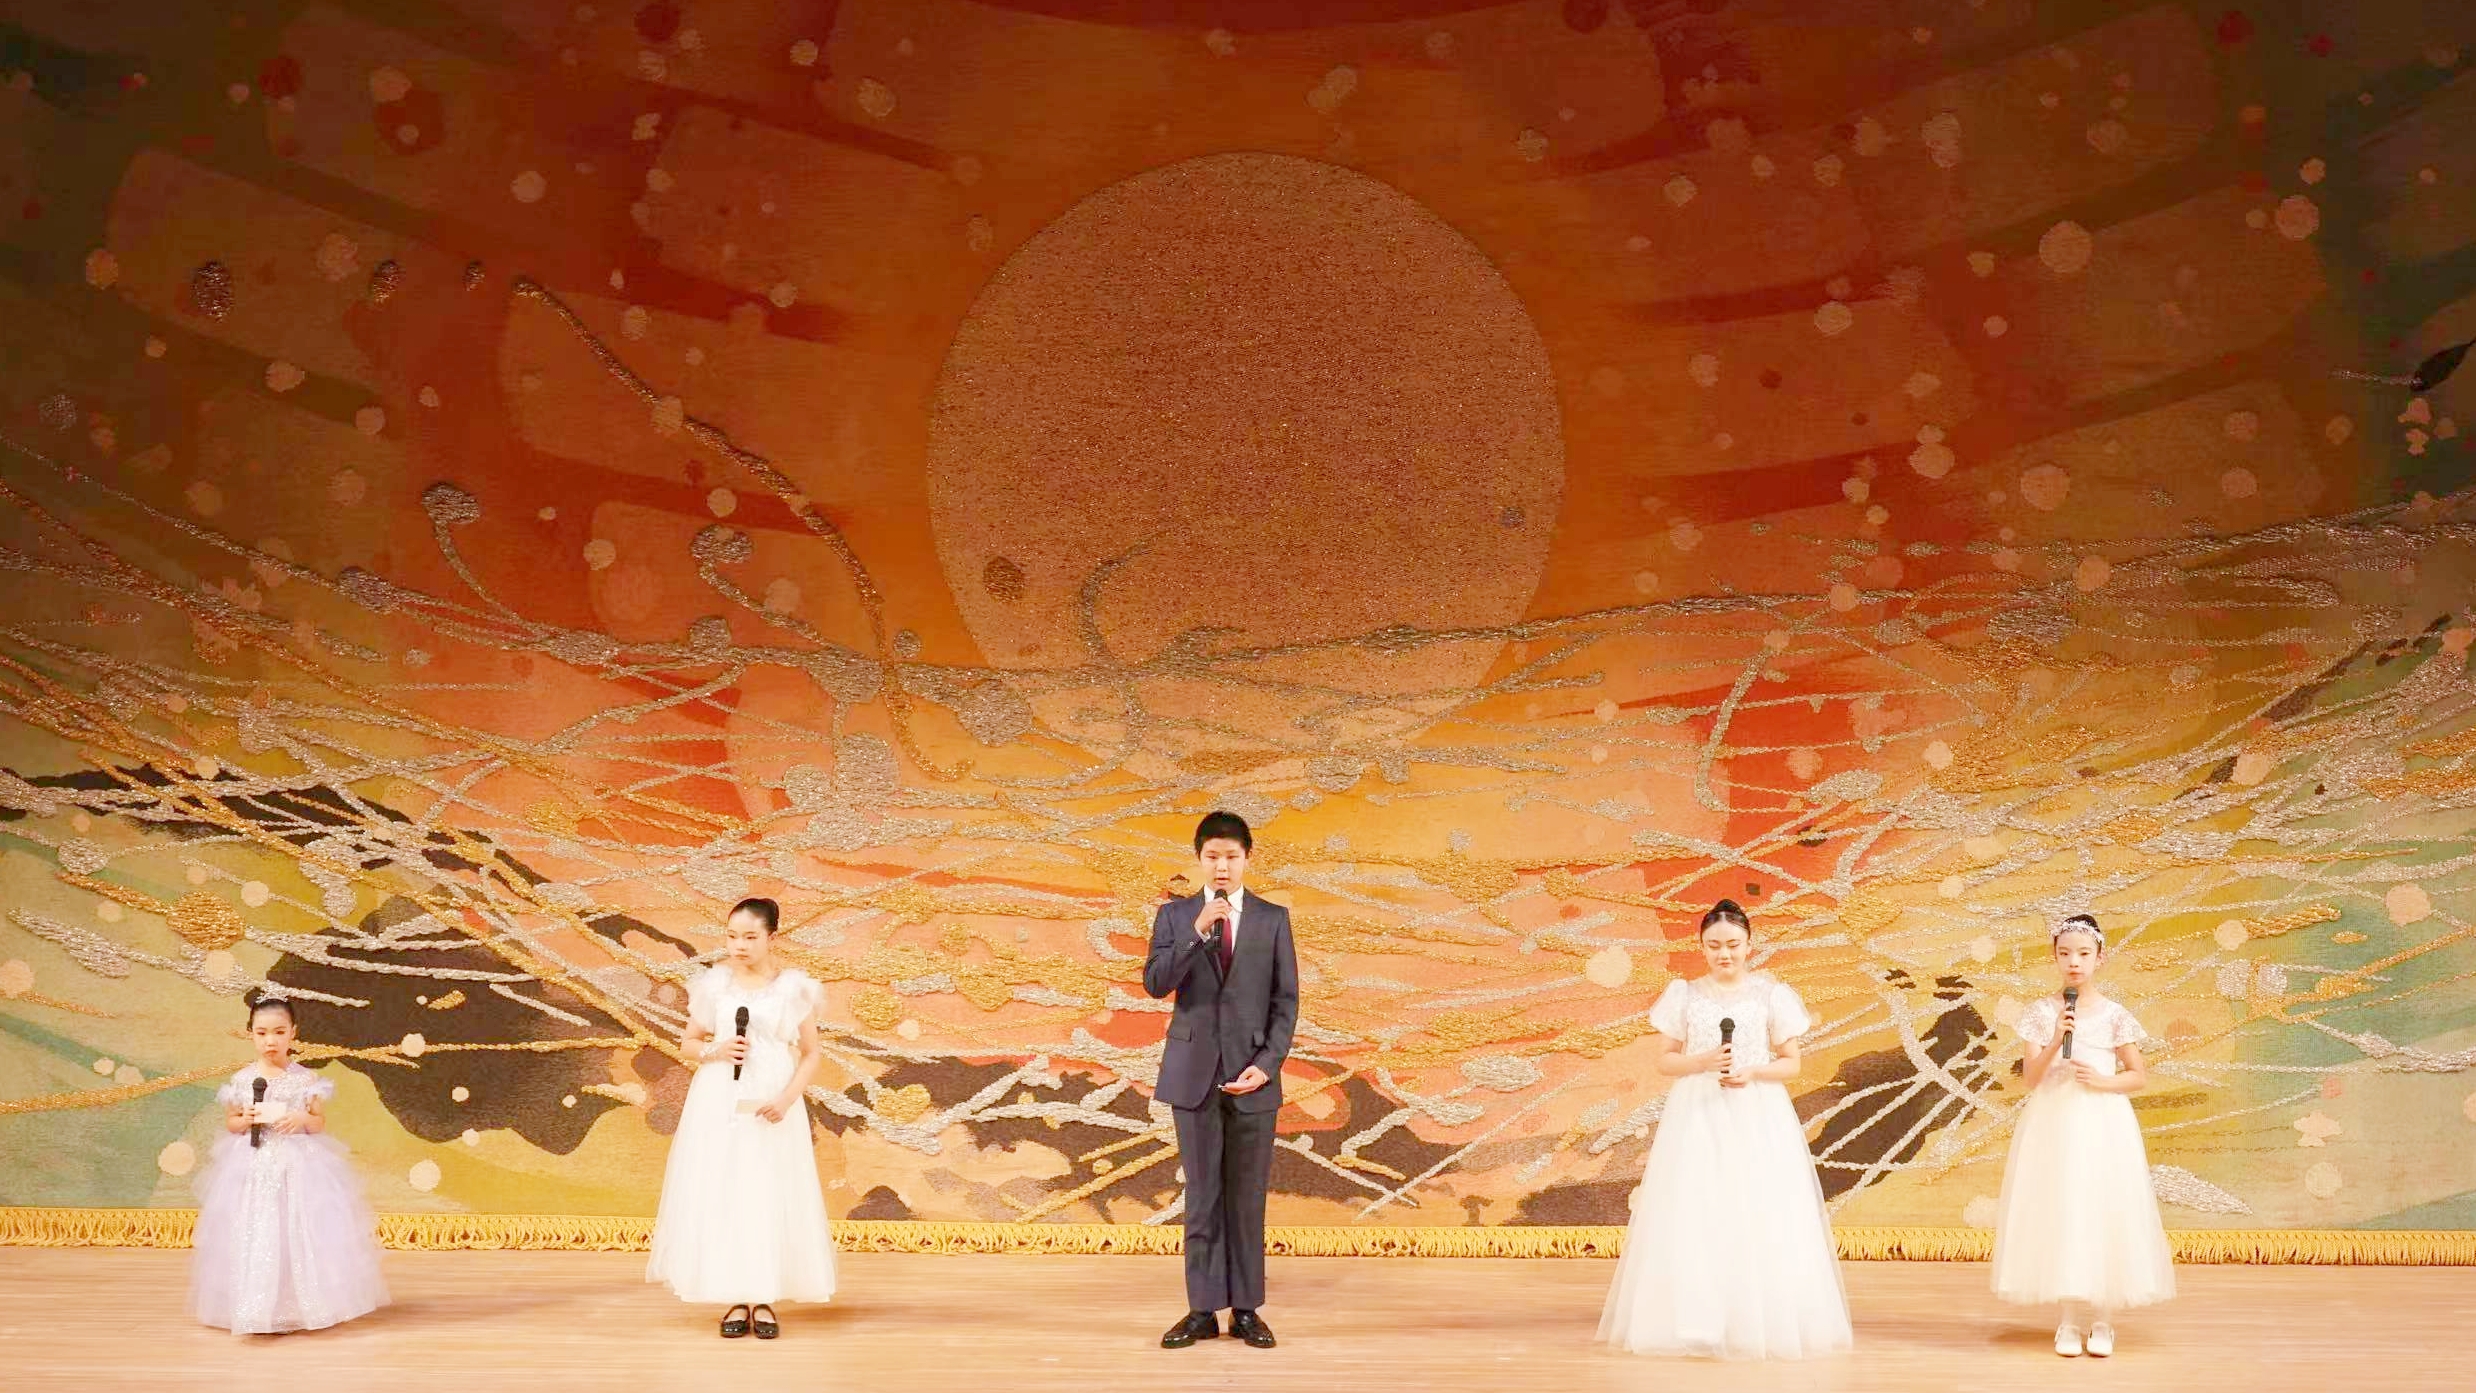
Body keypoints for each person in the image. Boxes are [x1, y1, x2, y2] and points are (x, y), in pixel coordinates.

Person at [1598, 898, 1851, 1360]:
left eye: (1733, 944)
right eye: (1714, 945)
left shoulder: (1772, 994)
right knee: (1696, 1207)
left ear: (1750, 944)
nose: (1724, 954)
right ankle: (1696, 1321)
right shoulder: (1684, 994)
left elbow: (1792, 1064)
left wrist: (1752, 1071)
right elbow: (1665, 1061)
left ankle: (1756, 1320)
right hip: (1697, 1112)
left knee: (1758, 1206)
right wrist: (1701, 1062)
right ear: (1701, 946)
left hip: (1757, 1111)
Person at [646, 896, 837, 1338]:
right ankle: (734, 1295)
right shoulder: (713, 986)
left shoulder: (795, 989)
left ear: (772, 937)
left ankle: (763, 1296)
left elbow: (811, 1053)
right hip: (718, 1100)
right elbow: (688, 1044)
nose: (739, 945)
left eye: (750, 937)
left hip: (773, 1104)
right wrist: (716, 1049)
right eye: (732, 936)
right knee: (726, 1189)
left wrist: (787, 1099)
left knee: (767, 1191)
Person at [1144, 810, 1298, 1350]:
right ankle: (1201, 1310)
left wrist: (1268, 1064)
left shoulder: (1273, 918)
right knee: (1203, 1195)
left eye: (1232, 856)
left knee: (1247, 1198)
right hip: (1194, 1075)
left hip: (1253, 1075)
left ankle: (1247, 1311)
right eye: (1212, 856)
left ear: (1247, 858)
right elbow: (1155, 983)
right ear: (1199, 859)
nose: (1222, 865)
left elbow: (1285, 1001)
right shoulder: (1175, 916)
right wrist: (1195, 932)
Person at [1990, 913, 2176, 1357]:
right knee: (2066, 1211)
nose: (2074, 962)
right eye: (2065, 953)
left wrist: (2103, 1081)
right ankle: (2069, 1321)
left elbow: (2138, 1075)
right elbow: (2031, 1079)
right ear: (2054, 957)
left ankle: (2103, 1321)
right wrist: (2056, 1039)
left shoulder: (2115, 1015)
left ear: (2099, 958)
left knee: (2104, 1210)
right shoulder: (2040, 1013)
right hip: (2055, 1124)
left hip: (2104, 1123)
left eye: (2084, 953)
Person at [191, 988, 390, 1334]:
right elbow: (232, 1123)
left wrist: (302, 1118)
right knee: (256, 1226)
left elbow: (318, 1123)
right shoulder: (242, 1080)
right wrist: (245, 1119)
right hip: (253, 1163)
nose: (270, 1041)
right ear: (250, 1034)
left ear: (293, 1033)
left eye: (279, 1032)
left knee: (298, 1227)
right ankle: (254, 1306)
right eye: (261, 1033)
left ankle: (299, 1305)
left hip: (298, 1165)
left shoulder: (305, 1079)